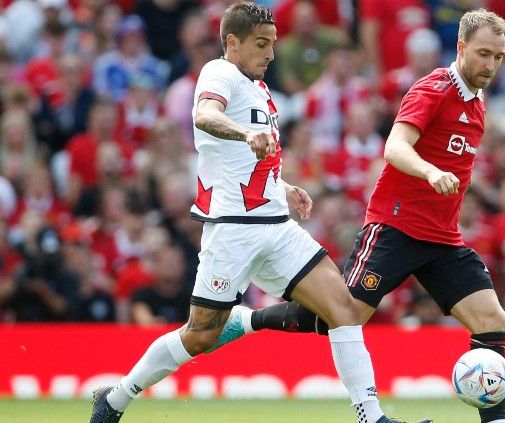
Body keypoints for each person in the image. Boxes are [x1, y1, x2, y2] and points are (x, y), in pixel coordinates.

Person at [89, 4, 429, 423]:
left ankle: (371, 417)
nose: (270, 53)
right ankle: (117, 397)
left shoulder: (260, 88)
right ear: (232, 43)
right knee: (200, 336)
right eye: (261, 44)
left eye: (273, 43)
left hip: (276, 226)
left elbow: (248, 159)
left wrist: (283, 189)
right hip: (233, 230)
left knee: (344, 307)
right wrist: (245, 131)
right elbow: (206, 115)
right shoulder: (219, 73)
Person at [217, 8, 505, 423]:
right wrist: (430, 171)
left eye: (498, 57)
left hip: (443, 237)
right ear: (461, 47)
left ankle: (495, 420)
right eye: (483, 54)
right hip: (395, 226)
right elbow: (394, 147)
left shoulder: (477, 102)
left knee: (492, 319)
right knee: (346, 314)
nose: (491, 65)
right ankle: (249, 319)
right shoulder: (434, 89)